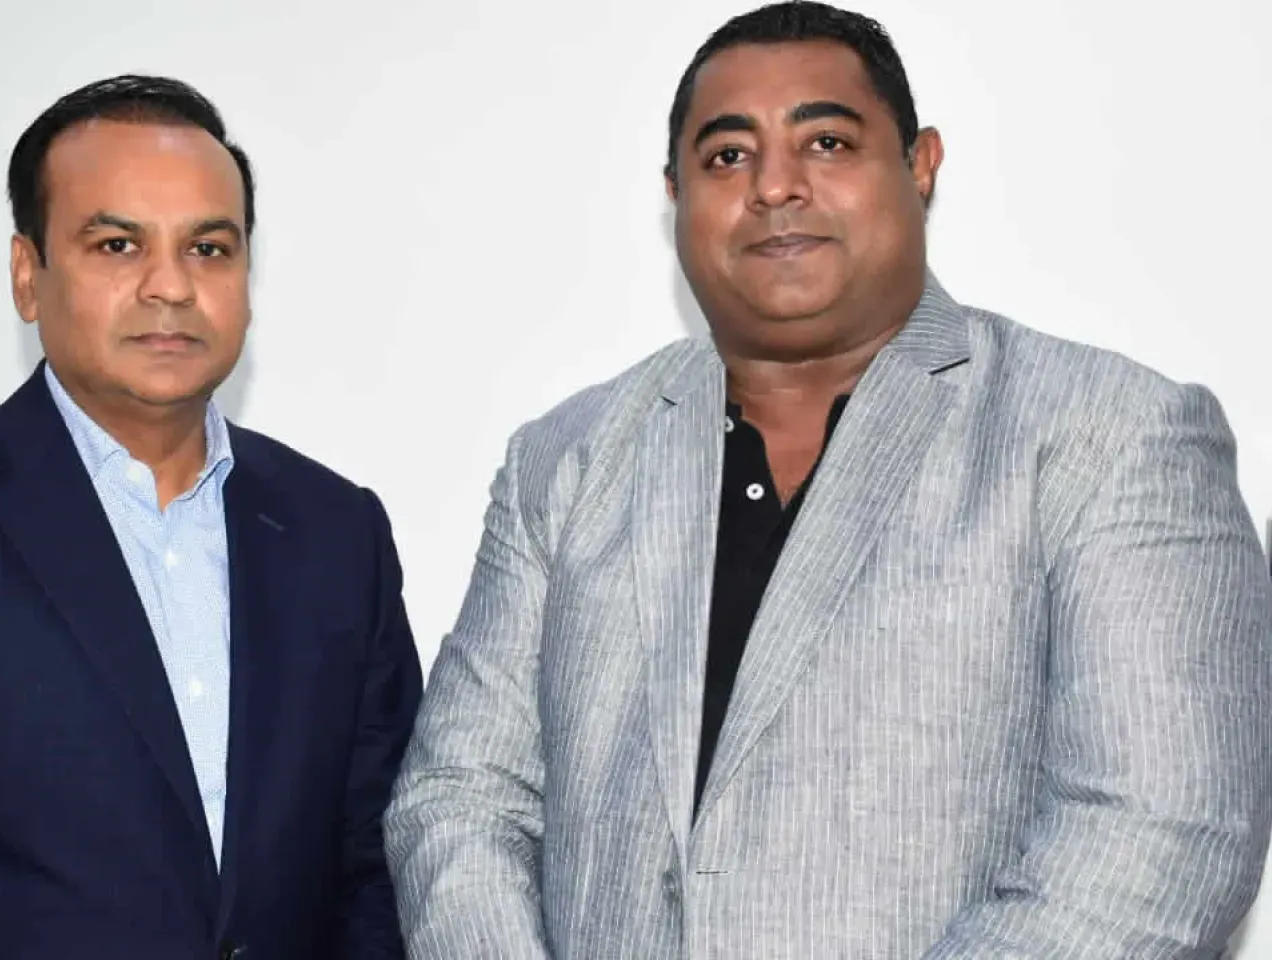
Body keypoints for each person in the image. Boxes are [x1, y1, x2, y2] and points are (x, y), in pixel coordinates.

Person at [383, 3, 1272, 957]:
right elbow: (460, 796)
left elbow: (1163, 836)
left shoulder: (1112, 435)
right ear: (675, 192)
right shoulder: (566, 458)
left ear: (920, 164)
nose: (774, 185)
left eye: (827, 142)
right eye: (728, 156)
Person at [0, 74, 421, 959]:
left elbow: (385, 867)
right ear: (27, 276)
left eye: (209, 248)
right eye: (117, 245)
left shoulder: (337, 533)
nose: (170, 286)